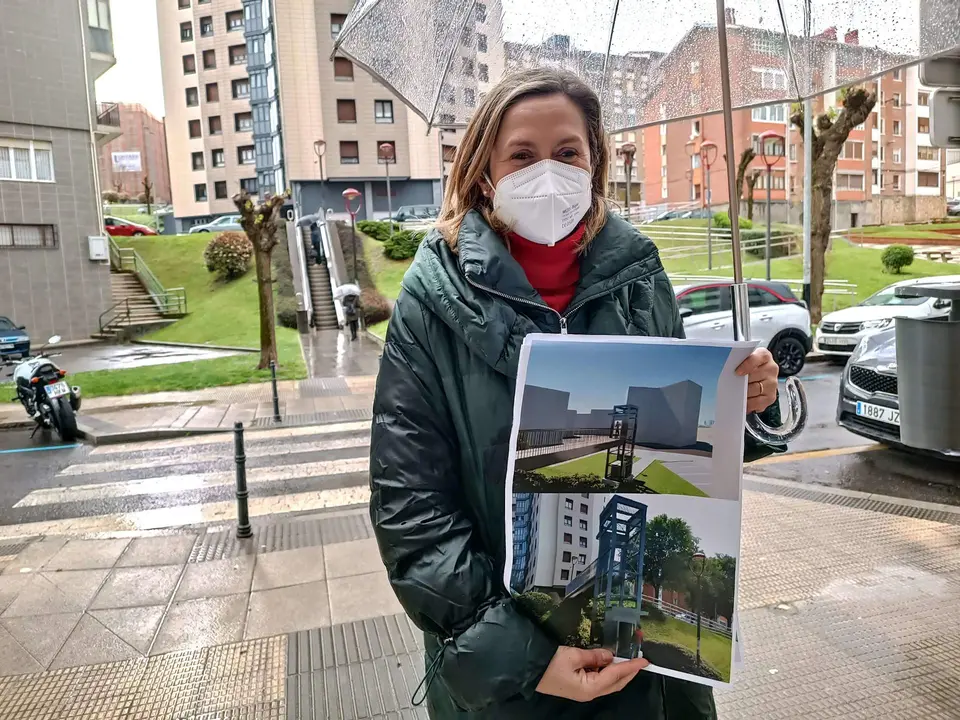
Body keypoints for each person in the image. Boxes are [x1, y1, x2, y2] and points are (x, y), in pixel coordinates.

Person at [370, 68, 783, 719]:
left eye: (567, 153)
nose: (548, 173)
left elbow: (686, 449)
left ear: (595, 166)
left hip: (648, 675)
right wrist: (523, 659)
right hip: (510, 687)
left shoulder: (638, 275)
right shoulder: (432, 299)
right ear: (484, 171)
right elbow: (411, 511)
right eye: (522, 156)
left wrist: (745, 401)